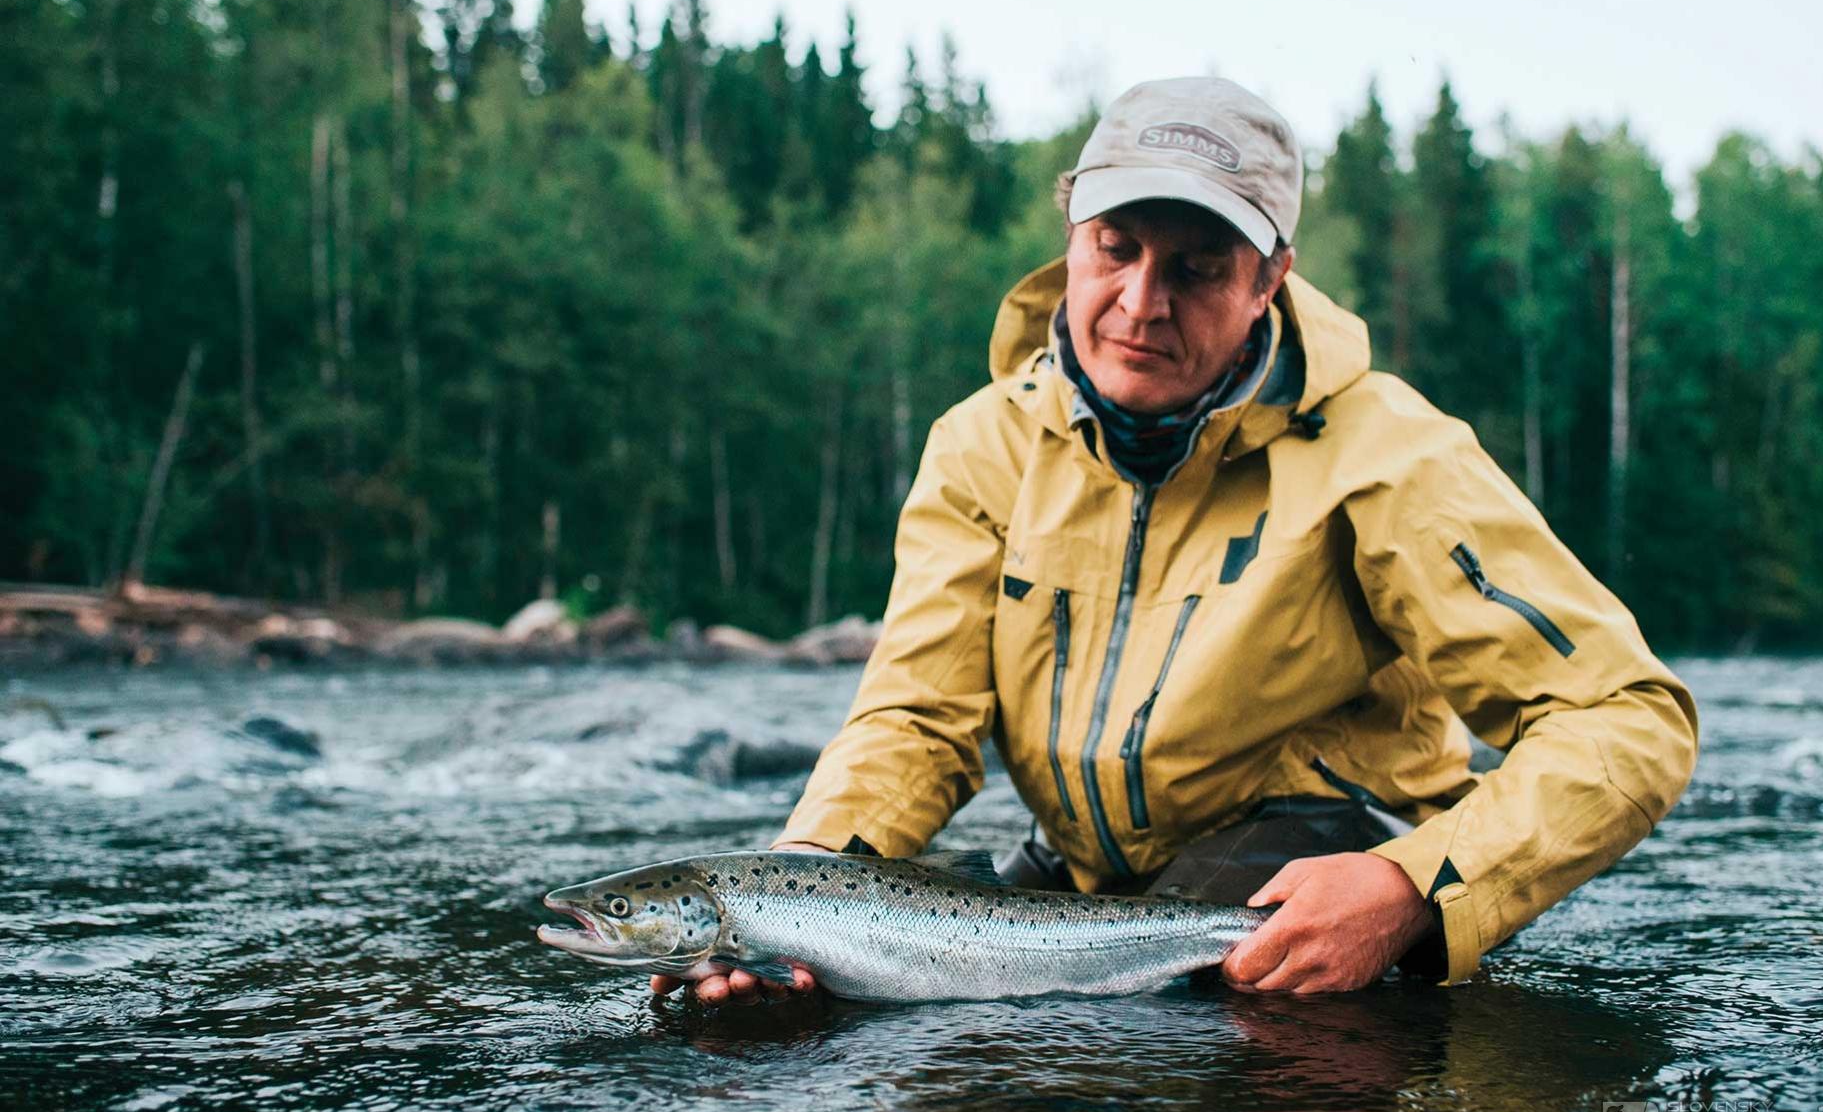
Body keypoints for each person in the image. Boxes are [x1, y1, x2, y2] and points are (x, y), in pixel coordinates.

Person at [653, 76, 1698, 1006]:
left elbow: (1627, 717)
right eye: (1116, 250)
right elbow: (916, 719)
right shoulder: (980, 445)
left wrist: (1416, 886)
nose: (1141, 304)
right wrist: (795, 888)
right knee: (826, 1003)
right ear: (1072, 233)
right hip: (1090, 871)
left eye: (1196, 269)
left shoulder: (1390, 456)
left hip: (1322, 856)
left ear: (1269, 279)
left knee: (1175, 1033)